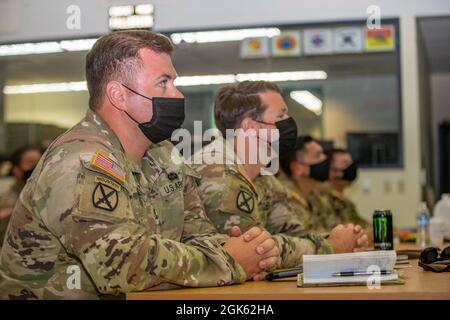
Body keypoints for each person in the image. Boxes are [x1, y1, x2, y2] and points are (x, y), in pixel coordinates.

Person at [0, 31, 279, 300]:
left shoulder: (163, 153)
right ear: (118, 95)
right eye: (163, 82)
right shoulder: (80, 161)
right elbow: (122, 265)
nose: (178, 95)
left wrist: (254, 251)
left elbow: (198, 234)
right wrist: (229, 260)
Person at [192, 81, 368, 270]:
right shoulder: (219, 172)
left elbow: (295, 232)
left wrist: (341, 239)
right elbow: (253, 252)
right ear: (251, 127)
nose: (289, 123)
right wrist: (330, 248)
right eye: (281, 116)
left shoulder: (264, 175)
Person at [0, 146, 42, 247]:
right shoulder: (5, 197)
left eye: (40, 162)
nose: (38, 167)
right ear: (16, 170)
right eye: (31, 162)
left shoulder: (47, 193)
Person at [327, 148, 369, 228]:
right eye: (345, 163)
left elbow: (362, 224)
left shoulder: (346, 202)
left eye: (351, 163)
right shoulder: (324, 201)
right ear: (331, 170)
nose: (351, 167)